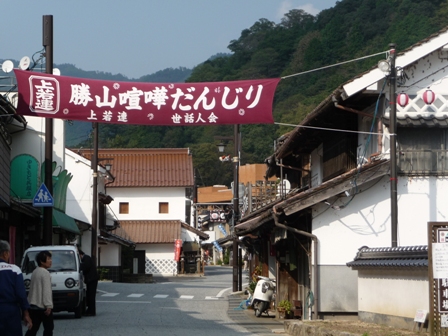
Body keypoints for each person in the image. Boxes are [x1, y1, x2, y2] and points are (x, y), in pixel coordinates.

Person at [0, 240, 32, 336]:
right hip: (11, 310)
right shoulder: (14, 269)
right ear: (5, 254)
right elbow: (20, 293)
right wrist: (26, 312)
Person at [25, 250, 53, 336]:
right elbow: (46, 289)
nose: (50, 261)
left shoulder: (35, 271)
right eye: (48, 259)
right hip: (43, 306)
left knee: (33, 328)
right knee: (49, 328)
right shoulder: (45, 272)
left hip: (33, 304)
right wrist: (48, 305)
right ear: (41, 261)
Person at [79, 250, 98, 316]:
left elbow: (85, 267)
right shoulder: (86, 258)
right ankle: (90, 310)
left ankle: (92, 311)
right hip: (91, 279)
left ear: (80, 254)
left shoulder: (86, 258)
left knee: (91, 295)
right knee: (89, 295)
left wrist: (79, 266)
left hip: (92, 279)